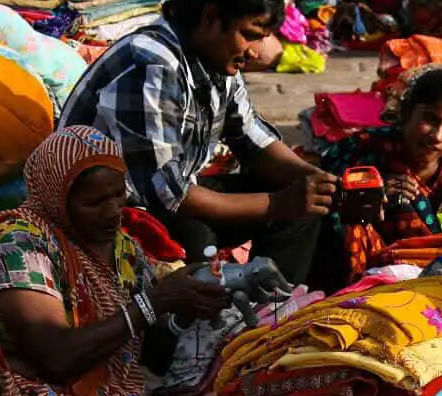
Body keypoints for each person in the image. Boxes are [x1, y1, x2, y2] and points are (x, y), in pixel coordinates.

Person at [0, 126, 228, 396]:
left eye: (119, 195)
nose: (113, 211)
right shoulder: (20, 246)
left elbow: (141, 342)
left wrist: (190, 304)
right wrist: (154, 302)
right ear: (57, 198)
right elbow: (55, 355)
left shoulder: (124, 251)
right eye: (94, 202)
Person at [58, 0, 337, 285]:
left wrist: (324, 185)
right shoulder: (152, 63)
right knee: (198, 247)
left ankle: (281, 311)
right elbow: (168, 196)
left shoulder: (216, 57)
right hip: (108, 213)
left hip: (166, 199)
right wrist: (277, 204)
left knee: (310, 206)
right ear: (211, 15)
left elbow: (254, 141)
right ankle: (238, 320)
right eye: (250, 35)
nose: (255, 52)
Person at [313, 66, 442, 289]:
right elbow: (321, 204)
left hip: (417, 265)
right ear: (406, 113)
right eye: (430, 119)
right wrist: (373, 191)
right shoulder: (362, 148)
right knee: (402, 202)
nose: (437, 136)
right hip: (352, 258)